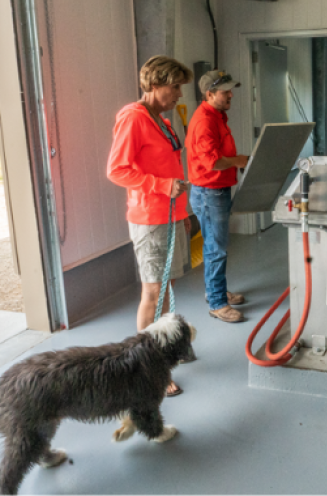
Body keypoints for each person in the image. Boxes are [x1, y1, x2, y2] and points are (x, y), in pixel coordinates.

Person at [106, 55, 193, 396]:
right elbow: (117, 170)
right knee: (153, 293)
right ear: (155, 85)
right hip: (149, 217)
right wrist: (160, 185)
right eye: (174, 88)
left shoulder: (161, 120)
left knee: (164, 290)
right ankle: (146, 370)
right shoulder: (134, 118)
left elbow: (168, 165)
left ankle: (164, 352)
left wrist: (182, 214)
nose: (178, 95)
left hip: (168, 215)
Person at [186, 70, 250, 323]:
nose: (231, 95)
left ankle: (218, 290)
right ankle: (216, 302)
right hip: (209, 193)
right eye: (226, 91)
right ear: (210, 94)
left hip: (216, 190)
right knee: (216, 248)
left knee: (216, 245)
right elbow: (212, 162)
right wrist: (240, 160)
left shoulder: (217, 116)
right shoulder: (205, 121)